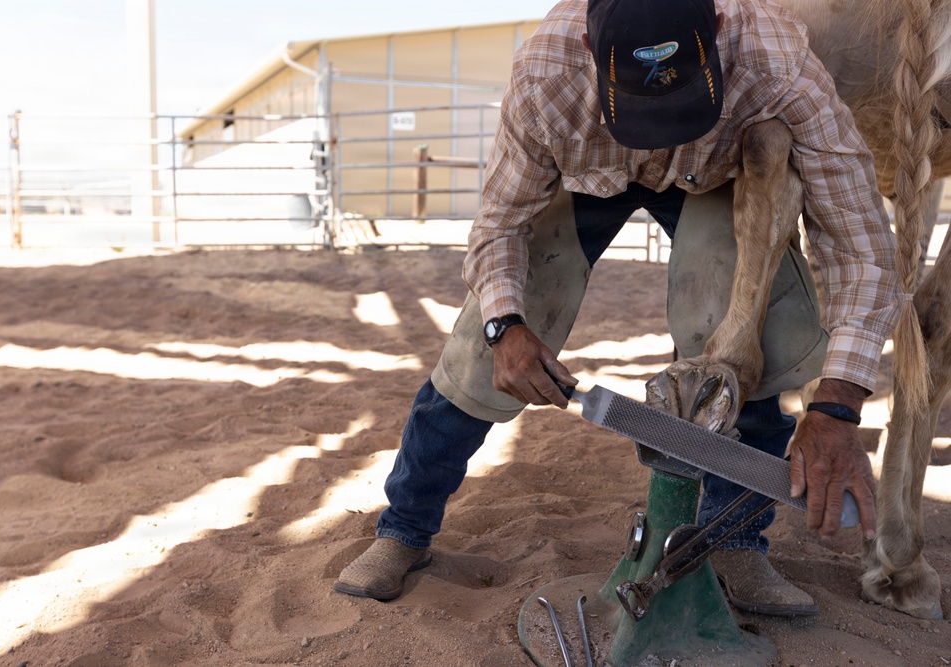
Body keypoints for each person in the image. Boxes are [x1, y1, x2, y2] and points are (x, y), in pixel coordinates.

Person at [333, 0, 901, 616]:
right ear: (587, 50)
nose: (663, 128)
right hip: (586, 179)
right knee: (478, 353)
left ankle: (735, 542)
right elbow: (498, 226)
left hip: (712, 176)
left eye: (682, 100)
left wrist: (838, 404)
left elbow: (863, 246)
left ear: (716, 33)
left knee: (741, 333)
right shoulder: (547, 72)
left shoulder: (777, 60)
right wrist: (505, 325)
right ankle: (403, 530)